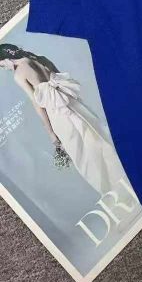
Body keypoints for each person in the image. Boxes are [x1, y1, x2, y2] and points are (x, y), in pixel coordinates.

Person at [0, 43, 125, 195]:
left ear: (6, 58)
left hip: (58, 115)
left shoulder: (19, 74)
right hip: (75, 105)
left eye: (1, 65)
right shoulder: (41, 58)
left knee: (84, 156)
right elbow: (64, 83)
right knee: (98, 139)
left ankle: (113, 191)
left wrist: (51, 133)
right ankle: (124, 179)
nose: (4, 68)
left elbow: (38, 105)